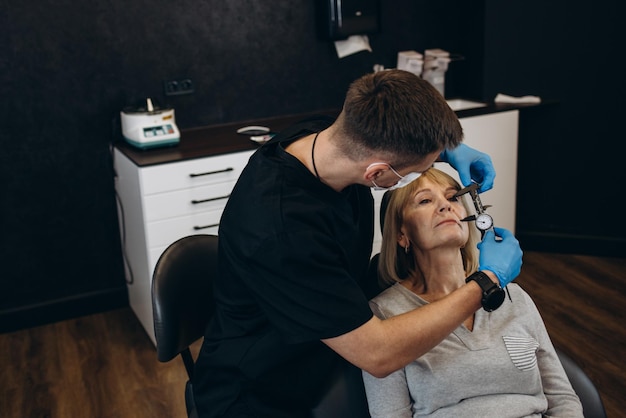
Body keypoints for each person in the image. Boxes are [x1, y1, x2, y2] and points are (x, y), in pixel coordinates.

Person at [192, 69, 523, 417]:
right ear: (376, 174)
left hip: (325, 350)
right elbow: (378, 354)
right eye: (415, 174)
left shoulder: (330, 135)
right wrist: (485, 282)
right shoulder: (283, 232)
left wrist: (448, 147)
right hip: (260, 390)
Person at [362, 167, 583, 417]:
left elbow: (562, 398)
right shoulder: (384, 316)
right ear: (402, 234)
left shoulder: (515, 296)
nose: (446, 206)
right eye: (425, 200)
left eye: (453, 197)